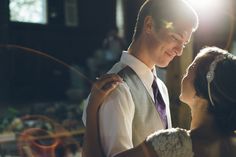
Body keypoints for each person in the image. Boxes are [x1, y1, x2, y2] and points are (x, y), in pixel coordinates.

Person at [82, 0, 198, 156]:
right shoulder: (118, 89)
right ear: (149, 25)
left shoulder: (161, 87)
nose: (179, 52)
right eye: (176, 38)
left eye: (184, 44)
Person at [84, 46, 236, 157]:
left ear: (201, 92)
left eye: (193, 66)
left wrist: (92, 109)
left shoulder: (174, 143)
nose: (186, 70)